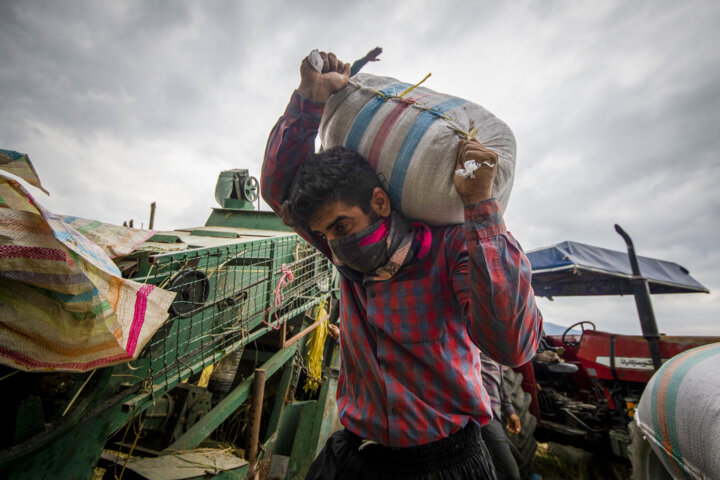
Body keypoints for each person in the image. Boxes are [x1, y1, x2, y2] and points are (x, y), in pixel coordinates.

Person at [261, 50, 543, 480]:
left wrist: (481, 208)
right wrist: (309, 99)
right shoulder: (344, 255)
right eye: (326, 234)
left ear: (379, 202)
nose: (335, 244)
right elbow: (280, 189)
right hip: (353, 453)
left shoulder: (452, 251)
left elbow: (510, 344)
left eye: (342, 226)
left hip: (444, 463)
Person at [480, 353, 522, 480]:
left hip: (494, 415)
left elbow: (500, 382)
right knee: (510, 473)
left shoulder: (491, 350)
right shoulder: (471, 343)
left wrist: (509, 411)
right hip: (481, 416)